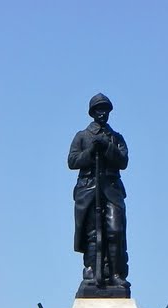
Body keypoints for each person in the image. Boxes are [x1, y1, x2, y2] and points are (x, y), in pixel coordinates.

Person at [68, 93, 129, 289]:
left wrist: (107, 147)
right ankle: (92, 271)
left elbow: (123, 161)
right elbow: (72, 161)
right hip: (88, 188)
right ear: (93, 113)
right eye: (99, 110)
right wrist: (90, 152)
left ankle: (117, 273)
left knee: (115, 230)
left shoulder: (116, 138)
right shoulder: (82, 136)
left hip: (111, 189)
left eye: (106, 110)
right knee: (92, 233)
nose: (103, 114)